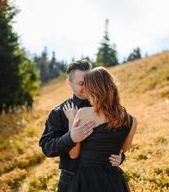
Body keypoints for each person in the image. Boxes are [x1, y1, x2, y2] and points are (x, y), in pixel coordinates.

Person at [39, 60, 125, 192]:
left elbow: (117, 137)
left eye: (89, 82)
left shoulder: (106, 107)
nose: (87, 87)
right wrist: (70, 137)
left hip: (104, 180)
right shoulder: (59, 112)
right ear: (69, 83)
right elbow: (47, 146)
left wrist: (120, 156)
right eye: (81, 84)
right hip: (71, 179)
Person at [63, 67, 137, 192]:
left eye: (88, 88)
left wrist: (71, 120)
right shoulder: (131, 121)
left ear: (95, 90)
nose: (85, 93)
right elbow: (123, 150)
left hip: (86, 181)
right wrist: (120, 158)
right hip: (113, 181)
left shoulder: (82, 113)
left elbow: (73, 154)